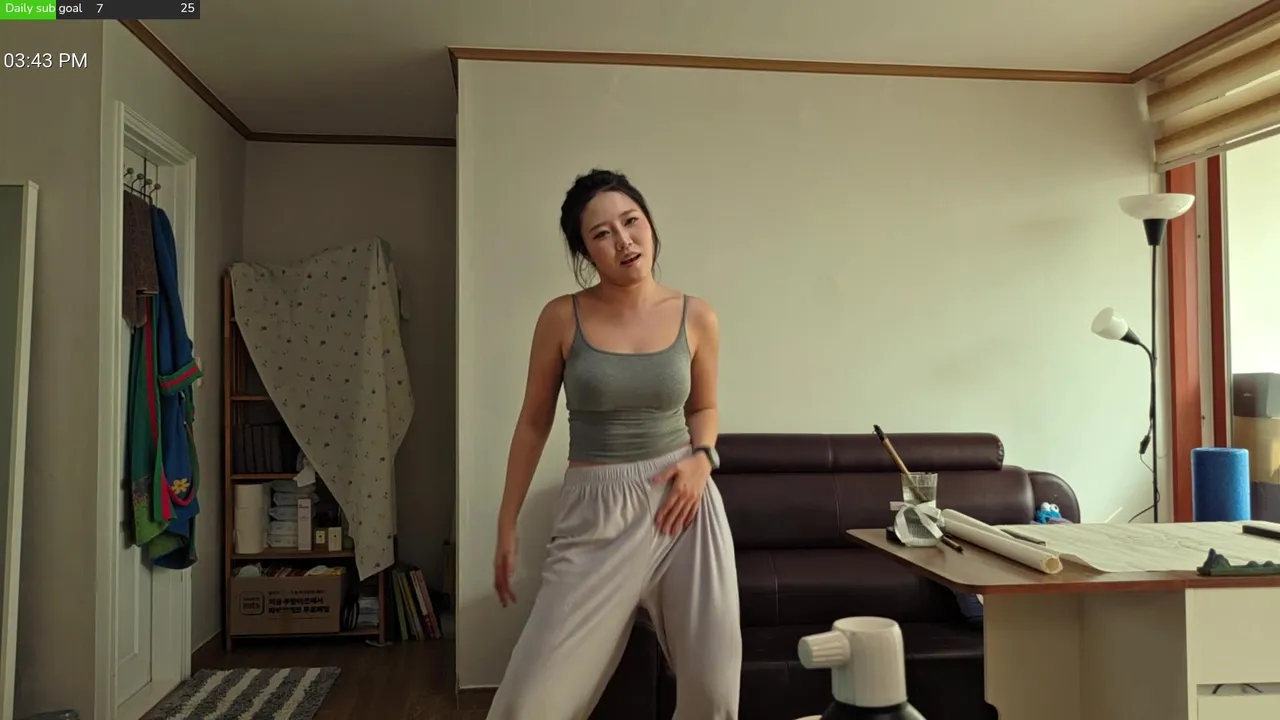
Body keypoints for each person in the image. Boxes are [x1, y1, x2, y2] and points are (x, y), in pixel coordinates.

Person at [487, 169, 741, 720]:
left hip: (682, 505)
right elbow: (533, 422)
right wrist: (507, 521)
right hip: (596, 510)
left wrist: (702, 459)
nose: (624, 240)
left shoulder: (697, 315)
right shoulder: (562, 316)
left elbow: (703, 408)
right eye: (603, 234)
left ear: (649, 223)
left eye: (631, 221)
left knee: (714, 694)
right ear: (586, 252)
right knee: (532, 704)